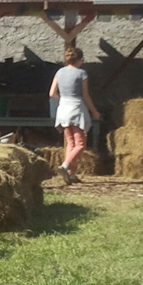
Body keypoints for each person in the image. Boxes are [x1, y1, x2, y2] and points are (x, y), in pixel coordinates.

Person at [49, 45, 100, 184]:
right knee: (81, 144)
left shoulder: (59, 72)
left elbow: (52, 93)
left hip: (63, 108)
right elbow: (85, 95)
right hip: (76, 108)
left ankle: (71, 174)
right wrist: (94, 111)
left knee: (70, 143)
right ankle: (65, 166)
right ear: (79, 60)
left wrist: (63, 99)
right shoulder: (81, 73)